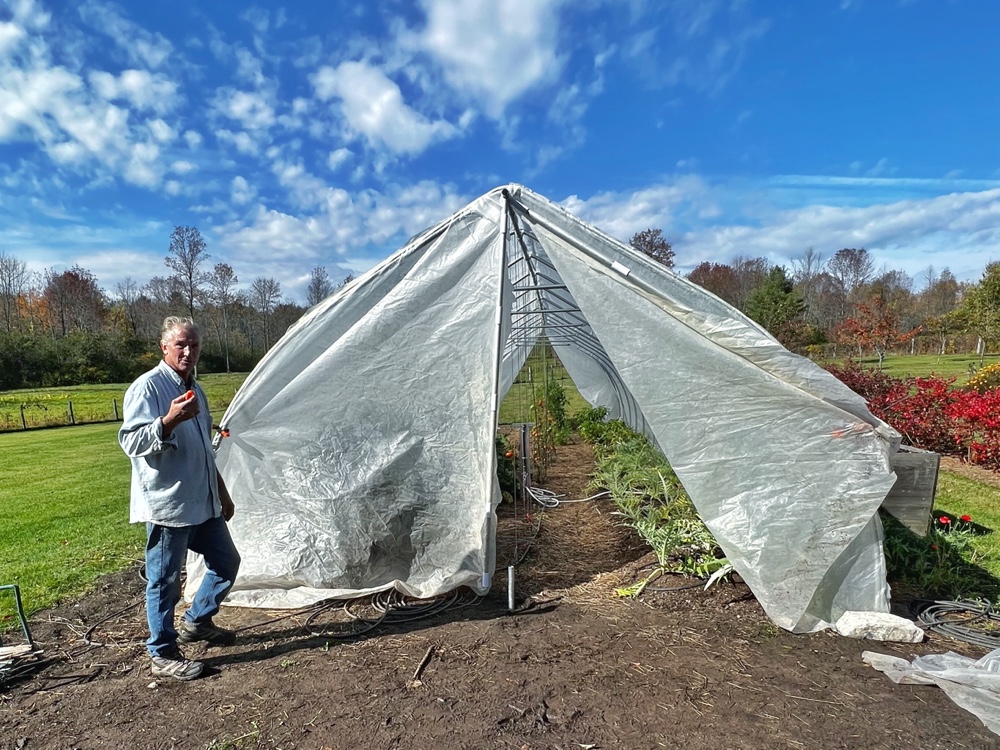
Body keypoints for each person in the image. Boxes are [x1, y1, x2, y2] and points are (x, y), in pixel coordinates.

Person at [119, 316, 241, 681]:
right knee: (164, 581)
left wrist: (222, 494)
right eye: (181, 345)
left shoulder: (197, 391)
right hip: (169, 506)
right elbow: (130, 442)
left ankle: (197, 621)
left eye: (194, 345)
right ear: (164, 347)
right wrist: (167, 421)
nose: (188, 351)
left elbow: (205, 448)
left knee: (226, 562)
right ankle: (162, 652)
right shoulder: (147, 389)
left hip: (202, 502)